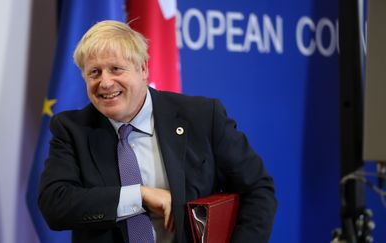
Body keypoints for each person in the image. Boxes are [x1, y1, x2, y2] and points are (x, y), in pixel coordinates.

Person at [38, 20, 277, 243]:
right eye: (94, 72)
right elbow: (55, 204)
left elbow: (257, 189)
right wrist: (139, 196)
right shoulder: (73, 129)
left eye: (116, 69)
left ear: (143, 69)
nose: (106, 82)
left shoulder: (202, 116)